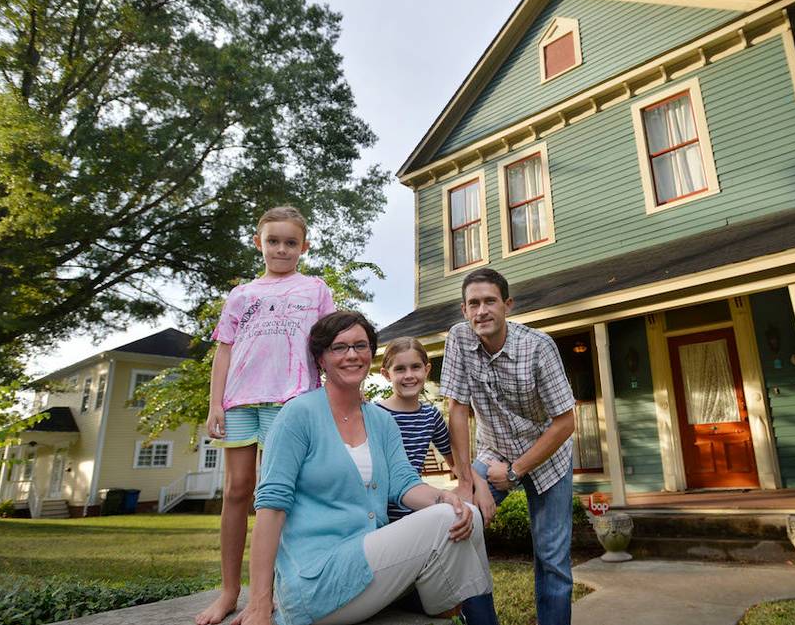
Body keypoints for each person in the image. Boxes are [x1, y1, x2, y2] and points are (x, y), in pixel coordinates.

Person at [236, 310, 493, 625]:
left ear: (371, 355)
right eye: (339, 347)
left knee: (465, 513)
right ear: (320, 359)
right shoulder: (298, 415)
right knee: (446, 518)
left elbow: (403, 484)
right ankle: (452, 607)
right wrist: (260, 603)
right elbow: (271, 508)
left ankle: (449, 608)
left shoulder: (380, 420)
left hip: (367, 567)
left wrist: (444, 498)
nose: (352, 355)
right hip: (317, 580)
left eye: (360, 346)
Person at [196, 206, 336, 625]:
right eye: (273, 241)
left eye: (290, 242)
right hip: (241, 401)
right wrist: (215, 403)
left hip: (289, 400)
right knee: (238, 490)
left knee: (278, 496)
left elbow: (327, 344)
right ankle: (228, 591)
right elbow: (224, 350)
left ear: (303, 247)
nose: (281, 249)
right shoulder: (241, 295)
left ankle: (273, 590)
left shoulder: (314, 289)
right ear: (259, 243)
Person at [440, 268, 577, 625]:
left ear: (507, 305)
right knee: (458, 526)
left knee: (552, 558)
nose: (481, 311)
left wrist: (516, 471)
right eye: (473, 303)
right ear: (464, 309)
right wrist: (468, 480)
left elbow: (566, 423)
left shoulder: (538, 347)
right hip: (493, 449)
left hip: (548, 455)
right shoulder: (458, 339)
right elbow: (456, 409)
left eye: (489, 301)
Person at [377, 337, 500, 625]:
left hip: (417, 511)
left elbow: (457, 463)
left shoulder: (430, 416)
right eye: (400, 369)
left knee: (467, 521)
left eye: (416, 367)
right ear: (386, 374)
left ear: (427, 369)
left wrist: (479, 485)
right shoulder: (375, 414)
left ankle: (481, 617)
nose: (409, 375)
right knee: (455, 519)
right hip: (384, 518)